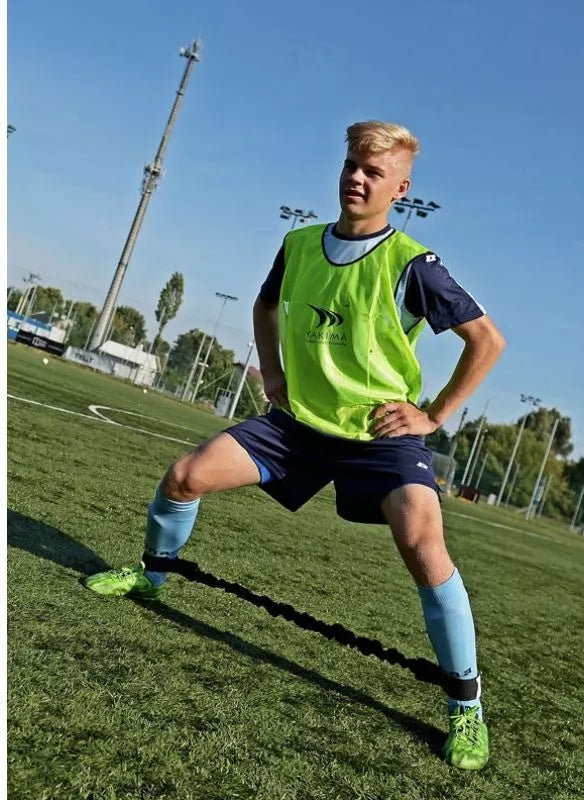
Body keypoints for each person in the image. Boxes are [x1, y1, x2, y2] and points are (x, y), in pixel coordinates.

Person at [85, 120, 505, 770]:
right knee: (185, 476)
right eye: (351, 165)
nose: (357, 178)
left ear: (400, 189)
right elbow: (266, 306)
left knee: (424, 543)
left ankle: (466, 707)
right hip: (299, 425)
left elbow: (486, 340)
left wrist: (432, 415)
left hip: (378, 436)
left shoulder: (413, 264)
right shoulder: (300, 243)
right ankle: (152, 576)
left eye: (373, 171)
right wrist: (275, 374)